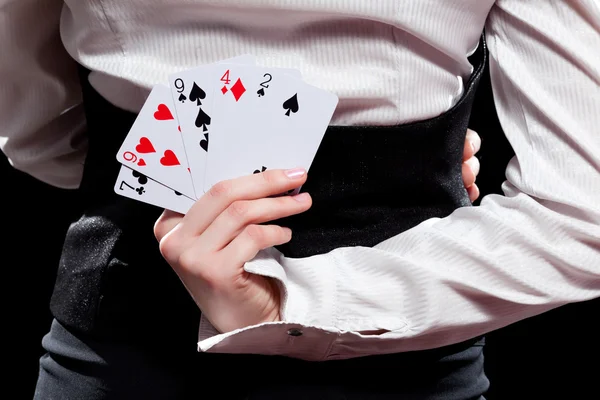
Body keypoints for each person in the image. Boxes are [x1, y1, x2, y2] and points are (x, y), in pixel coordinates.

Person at [1, 0, 598, 399]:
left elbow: (37, 134)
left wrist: (275, 302)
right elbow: (583, 214)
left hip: (121, 329)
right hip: (410, 347)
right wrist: (418, 167)